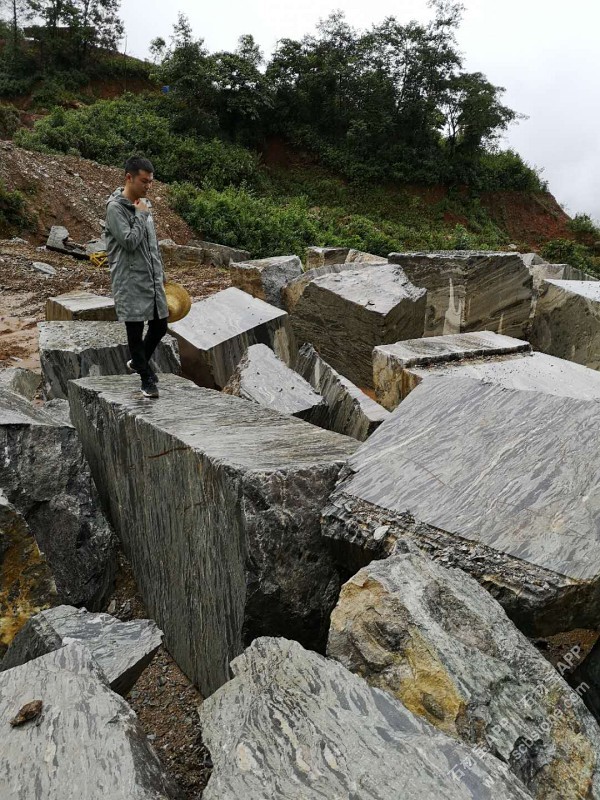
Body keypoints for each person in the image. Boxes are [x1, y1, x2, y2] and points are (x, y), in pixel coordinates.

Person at [105, 156, 169, 398]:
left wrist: (161, 273)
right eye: (144, 181)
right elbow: (129, 242)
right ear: (128, 178)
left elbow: (152, 244)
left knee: (160, 324)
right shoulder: (115, 208)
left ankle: (137, 362)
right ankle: (146, 378)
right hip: (129, 280)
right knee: (134, 328)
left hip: (151, 278)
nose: (148, 186)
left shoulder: (144, 204)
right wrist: (141, 215)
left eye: (151, 182)